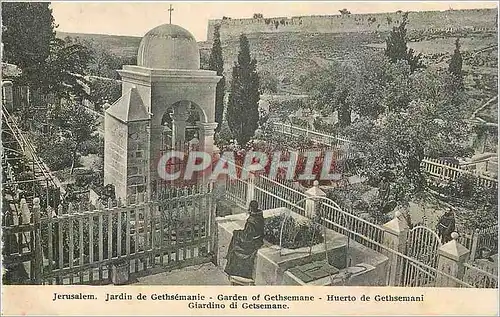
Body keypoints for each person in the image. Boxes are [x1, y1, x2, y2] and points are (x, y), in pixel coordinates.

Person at [224, 200, 264, 284]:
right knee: (237, 235)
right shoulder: (260, 216)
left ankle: (232, 267)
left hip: (252, 243)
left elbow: (247, 237)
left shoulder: (251, 221)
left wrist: (237, 233)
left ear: (251, 208)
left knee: (235, 241)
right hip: (258, 240)